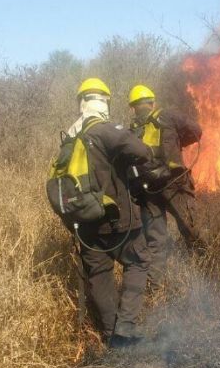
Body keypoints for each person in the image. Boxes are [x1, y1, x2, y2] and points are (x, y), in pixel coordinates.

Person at [61, 78, 153, 347]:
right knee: (139, 260)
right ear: (104, 101)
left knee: (99, 274)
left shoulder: (70, 136)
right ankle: (125, 326)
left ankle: (112, 337)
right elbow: (141, 151)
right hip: (115, 219)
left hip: (84, 222)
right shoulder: (103, 129)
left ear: (81, 102)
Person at [128, 84, 204, 290]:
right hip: (174, 183)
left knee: (156, 242)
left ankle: (152, 288)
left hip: (147, 190)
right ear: (153, 103)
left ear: (132, 108)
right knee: (192, 228)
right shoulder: (168, 116)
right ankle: (208, 272)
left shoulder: (132, 131)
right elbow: (197, 131)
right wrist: (178, 142)